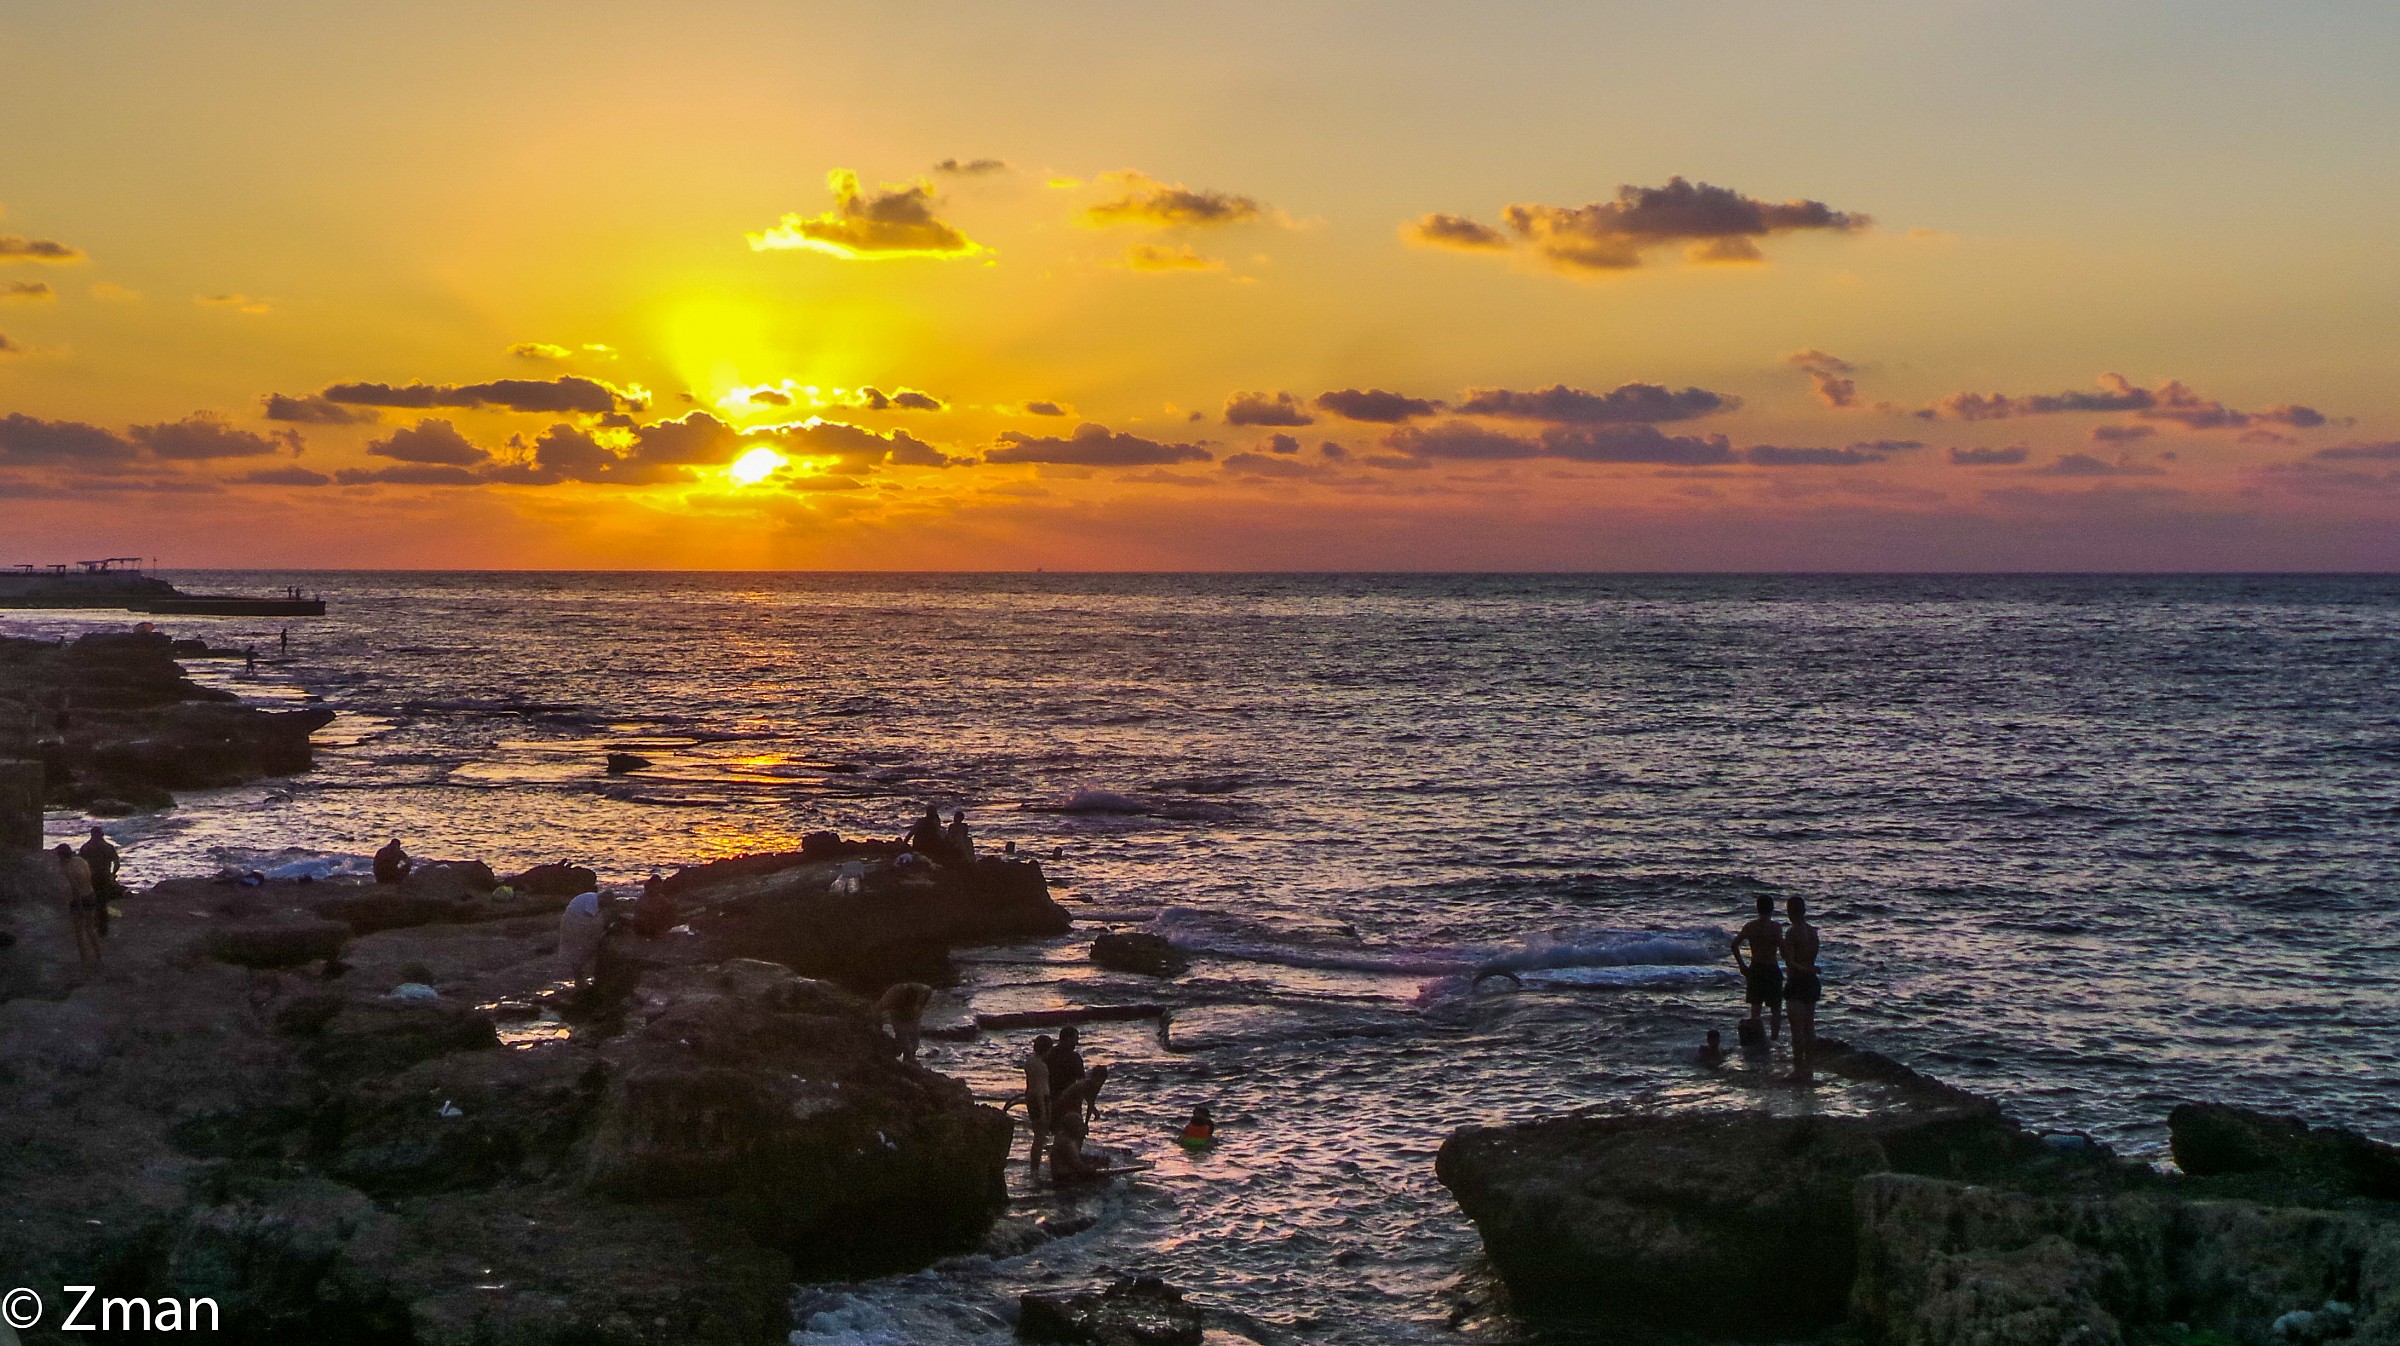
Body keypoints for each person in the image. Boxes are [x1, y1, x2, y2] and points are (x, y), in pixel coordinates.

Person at [1730, 894, 1784, 1042]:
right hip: (1772, 968)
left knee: (1756, 1008)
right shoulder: (1775, 927)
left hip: (1755, 968)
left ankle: (1756, 1038)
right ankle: (1774, 1038)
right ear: (1772, 908)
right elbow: (1782, 948)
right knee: (1776, 1009)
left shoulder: (1750, 926)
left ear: (1757, 909)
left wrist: (1742, 965)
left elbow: (1734, 945)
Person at [1048, 1065, 1111, 1182]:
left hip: (1073, 1107)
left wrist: (1088, 1121)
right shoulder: (1084, 1085)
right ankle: (1073, 1163)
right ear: (1094, 1077)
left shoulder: (1095, 1086)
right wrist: (1084, 1125)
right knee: (1072, 1134)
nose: (1100, 1083)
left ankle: (1074, 1158)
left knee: (1078, 1134)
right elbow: (1084, 1103)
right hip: (1063, 1107)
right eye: (1098, 1079)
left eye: (1102, 1080)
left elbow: (1090, 1103)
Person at [1783, 895, 1823, 1082]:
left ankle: (1798, 1069)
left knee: (1797, 1030)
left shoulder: (1792, 933)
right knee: (1809, 1026)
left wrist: (1804, 969)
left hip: (1797, 982)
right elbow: (1812, 956)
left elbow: (1790, 962)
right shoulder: (1813, 932)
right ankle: (1809, 1067)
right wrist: (1810, 969)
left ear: (1790, 911)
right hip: (1812, 981)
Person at [57, 844, 101, 974]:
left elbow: (75, 889)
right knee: (90, 928)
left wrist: (79, 907)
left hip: (80, 900)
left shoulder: (67, 868)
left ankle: (84, 960)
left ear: (62, 856)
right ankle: (99, 955)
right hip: (91, 895)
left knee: (79, 933)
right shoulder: (81, 860)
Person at [875, 981, 933, 1064]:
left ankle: (911, 1059)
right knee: (904, 1039)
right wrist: (877, 1021)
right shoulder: (894, 993)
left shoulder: (925, 990)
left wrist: (919, 1009)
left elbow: (926, 999)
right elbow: (879, 1007)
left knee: (914, 1040)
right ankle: (907, 1059)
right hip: (898, 1016)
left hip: (915, 1016)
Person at [79, 825, 121, 939]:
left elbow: (81, 865)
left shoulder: (85, 848)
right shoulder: (109, 847)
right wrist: (112, 874)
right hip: (104, 877)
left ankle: (93, 926)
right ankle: (103, 929)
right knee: (103, 901)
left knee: (92, 902)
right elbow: (117, 863)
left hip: (90, 877)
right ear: (102, 835)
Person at [556, 889, 606, 985]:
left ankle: (580, 977)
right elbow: (592, 919)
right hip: (573, 923)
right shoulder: (592, 901)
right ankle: (579, 978)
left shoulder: (592, 897)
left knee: (578, 950)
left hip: (571, 921)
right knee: (579, 951)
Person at [1023, 1035, 1054, 1179]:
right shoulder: (1041, 1066)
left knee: (1038, 1137)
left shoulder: (1029, 1062)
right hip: (1041, 1100)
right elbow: (1040, 1090)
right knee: (1040, 1137)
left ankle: (1034, 1168)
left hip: (1031, 1098)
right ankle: (1035, 1169)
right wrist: (1043, 1111)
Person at [1046, 1025, 1087, 1101]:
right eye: (1075, 1039)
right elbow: (1082, 1081)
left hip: (1050, 1098)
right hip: (1069, 1098)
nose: (1077, 1043)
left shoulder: (1048, 1054)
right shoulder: (1074, 1057)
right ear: (1068, 1039)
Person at [631, 873, 677, 940]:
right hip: (643, 927)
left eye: (659, 887)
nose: (659, 889)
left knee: (670, 909)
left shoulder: (660, 897)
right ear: (652, 886)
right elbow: (643, 913)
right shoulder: (644, 898)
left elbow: (669, 906)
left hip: (651, 926)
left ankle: (660, 933)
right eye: (657, 887)